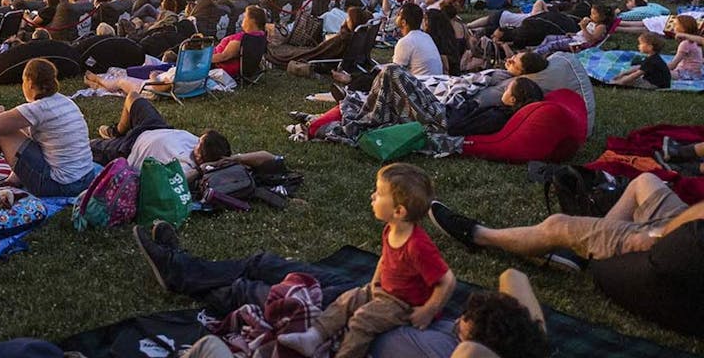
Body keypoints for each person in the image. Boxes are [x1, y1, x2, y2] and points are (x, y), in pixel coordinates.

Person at [132, 228, 546, 358]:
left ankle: (180, 271)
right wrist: (534, 338)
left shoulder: (457, 353)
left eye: (465, 322)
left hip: (344, 322)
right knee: (266, 261)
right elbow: (513, 276)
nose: (459, 318)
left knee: (253, 289)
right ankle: (183, 267)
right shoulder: (519, 341)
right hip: (371, 295)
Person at [277, 164, 454, 358]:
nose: (372, 196)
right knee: (347, 300)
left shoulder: (418, 246)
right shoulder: (390, 229)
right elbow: (385, 260)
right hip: (383, 292)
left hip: (405, 305)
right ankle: (313, 337)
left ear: (399, 211)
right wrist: (375, 283)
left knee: (362, 321)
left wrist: (429, 310)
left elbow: (447, 281)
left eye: (379, 193)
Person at [430, 171, 704, 264]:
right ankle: (593, 247)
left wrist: (657, 234)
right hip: (686, 220)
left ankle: (478, 236)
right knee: (644, 181)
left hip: (681, 241)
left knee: (557, 224)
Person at [0, 58, 94, 195]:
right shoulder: (65, 101)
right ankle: (12, 181)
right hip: (84, 179)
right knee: (13, 130)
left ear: (29, 82)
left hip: (62, 185)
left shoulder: (39, 108)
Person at [90, 89, 274, 182]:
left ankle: (116, 139)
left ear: (201, 156)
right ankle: (117, 131)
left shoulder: (188, 169)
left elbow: (177, 184)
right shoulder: (217, 152)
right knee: (133, 97)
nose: (196, 141)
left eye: (198, 143)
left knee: (87, 145)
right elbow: (269, 157)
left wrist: (204, 169)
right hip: (157, 127)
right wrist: (235, 158)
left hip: (129, 148)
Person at [210, 5, 267, 77]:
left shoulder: (242, 38)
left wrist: (204, 60)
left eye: (245, 17)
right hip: (245, 68)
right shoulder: (260, 35)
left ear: (252, 20)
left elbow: (224, 56)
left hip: (221, 67)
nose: (242, 19)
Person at [667, 14, 704, 80]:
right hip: (697, 74)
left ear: (684, 28)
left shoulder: (685, 44)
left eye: (676, 24)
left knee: (656, 73)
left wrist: (660, 69)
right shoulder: (695, 42)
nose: (673, 27)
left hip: (686, 74)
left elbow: (673, 64)